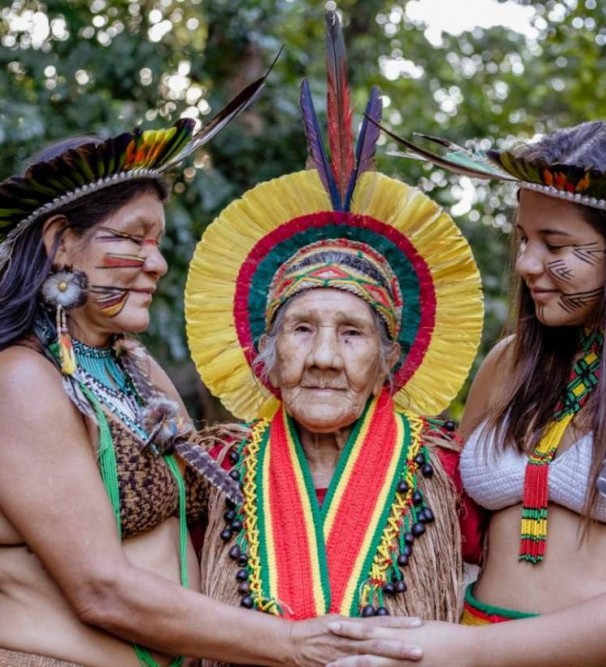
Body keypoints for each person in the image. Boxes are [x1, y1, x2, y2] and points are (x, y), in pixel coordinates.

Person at [0, 69, 422, 667]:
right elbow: (100, 589)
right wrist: (295, 644)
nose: (158, 264)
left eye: (159, 242)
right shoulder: (18, 381)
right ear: (61, 244)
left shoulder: (136, 369)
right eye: (135, 240)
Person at [326, 120, 606, 666]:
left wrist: (471, 652)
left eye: (554, 244)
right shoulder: (509, 361)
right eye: (524, 238)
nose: (526, 264)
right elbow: (443, 528)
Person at [182, 15, 485, 667]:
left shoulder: (453, 470)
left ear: (391, 358)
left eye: (352, 333)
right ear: (266, 350)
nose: (322, 357)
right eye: (301, 328)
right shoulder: (211, 469)